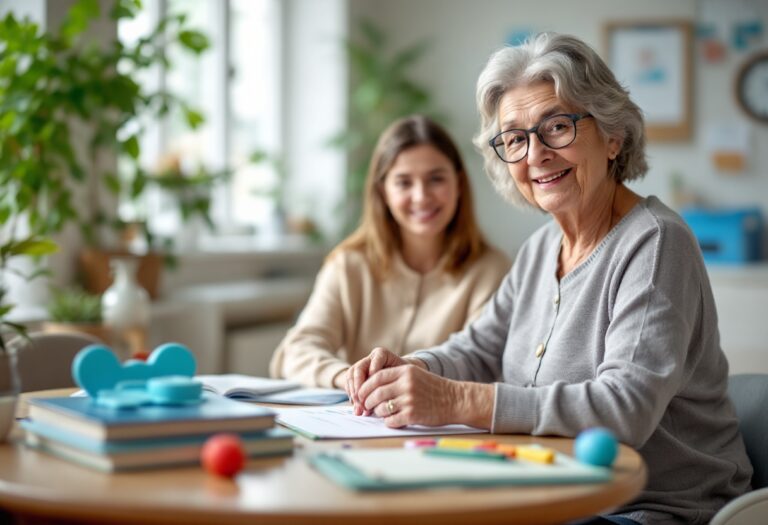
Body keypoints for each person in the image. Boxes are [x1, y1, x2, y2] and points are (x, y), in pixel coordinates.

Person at [346, 34, 752, 525]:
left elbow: (624, 408)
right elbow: (479, 349)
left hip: (650, 508)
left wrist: (451, 399)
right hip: (550, 494)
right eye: (515, 138)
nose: (535, 154)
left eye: (557, 126)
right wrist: (411, 368)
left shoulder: (656, 243)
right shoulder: (541, 248)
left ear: (612, 135)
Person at [269, 115, 510, 389]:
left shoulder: (491, 269)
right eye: (404, 182)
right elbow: (297, 350)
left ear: (458, 185)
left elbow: (480, 364)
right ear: (383, 191)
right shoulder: (349, 264)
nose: (421, 196)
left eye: (436, 179)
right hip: (356, 421)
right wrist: (350, 379)